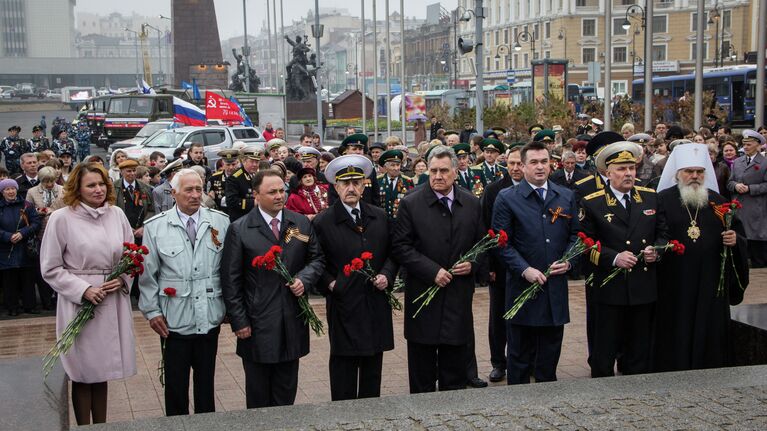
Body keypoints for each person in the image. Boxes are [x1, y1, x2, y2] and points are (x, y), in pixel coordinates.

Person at [40, 162, 136, 425]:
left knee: (102, 370)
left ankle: (101, 426)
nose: (98, 190)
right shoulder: (61, 218)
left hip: (111, 298)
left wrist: (123, 278)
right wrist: (83, 290)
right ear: (77, 189)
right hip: (80, 302)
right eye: (91, 185)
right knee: (83, 371)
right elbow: (50, 267)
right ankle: (83, 426)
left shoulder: (116, 214)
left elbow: (132, 254)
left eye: (102, 184)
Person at [222, 169, 324, 408]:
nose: (280, 196)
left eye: (282, 190)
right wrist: (239, 321)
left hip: (292, 318)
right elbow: (231, 279)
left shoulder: (299, 222)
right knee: (259, 395)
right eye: (272, 192)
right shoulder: (240, 228)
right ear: (256, 195)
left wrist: (304, 279)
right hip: (258, 322)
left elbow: (317, 259)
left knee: (286, 390)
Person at [392, 145, 486, 393]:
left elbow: (483, 243)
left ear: (455, 172)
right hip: (423, 297)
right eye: (433, 170)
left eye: (444, 170)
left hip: (458, 297)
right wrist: (431, 270)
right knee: (422, 375)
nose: (438, 176)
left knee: (454, 375)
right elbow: (401, 247)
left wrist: (473, 263)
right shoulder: (411, 203)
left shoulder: (471, 203)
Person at [139, 169, 230, 416]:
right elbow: (148, 275)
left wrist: (228, 307)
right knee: (176, 387)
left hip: (209, 316)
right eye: (188, 190)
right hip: (173, 319)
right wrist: (151, 311)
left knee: (206, 386)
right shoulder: (156, 227)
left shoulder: (220, 221)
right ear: (173, 192)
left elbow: (228, 270)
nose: (195, 195)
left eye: (199, 189)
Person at [654, 144, 748, 372]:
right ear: (678, 173)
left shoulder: (718, 202)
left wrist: (735, 240)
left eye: (699, 171)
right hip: (675, 281)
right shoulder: (662, 200)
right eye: (689, 171)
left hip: (710, 279)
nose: (695, 176)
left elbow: (739, 237)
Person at [492, 141, 579, 385]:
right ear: (523, 165)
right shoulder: (508, 198)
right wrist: (524, 269)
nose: (540, 167)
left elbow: (577, 235)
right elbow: (501, 243)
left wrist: (569, 261)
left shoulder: (565, 195)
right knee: (519, 359)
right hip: (523, 291)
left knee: (549, 360)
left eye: (544, 161)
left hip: (554, 291)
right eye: (534, 162)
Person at [312, 154, 398, 400]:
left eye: (356, 182)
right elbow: (315, 260)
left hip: (375, 301)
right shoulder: (324, 221)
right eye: (345, 183)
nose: (351, 188)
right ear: (336, 187)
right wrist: (330, 283)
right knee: (344, 369)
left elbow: (393, 253)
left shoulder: (378, 216)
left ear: (364, 185)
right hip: (344, 303)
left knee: (373, 367)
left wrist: (387, 275)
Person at [579, 142, 667, 377]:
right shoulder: (593, 202)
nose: (628, 173)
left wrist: (656, 251)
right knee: (605, 347)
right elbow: (584, 243)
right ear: (608, 173)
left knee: (638, 346)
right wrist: (614, 257)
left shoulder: (650, 198)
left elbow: (662, 234)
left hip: (642, 284)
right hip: (609, 286)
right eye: (621, 169)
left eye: (631, 168)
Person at [480, 144, 524, 383]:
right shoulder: (494, 190)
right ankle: (499, 362)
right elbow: (485, 229)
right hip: (500, 265)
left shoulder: (532, 188)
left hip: (526, 264)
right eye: (511, 164)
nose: (515, 168)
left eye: (519, 164)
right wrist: (487, 267)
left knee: (525, 314)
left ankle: (524, 359)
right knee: (499, 317)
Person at [0, 178, 41, 315]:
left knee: (28, 279)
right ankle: (13, 308)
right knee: (9, 280)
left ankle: (30, 306)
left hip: (25, 248)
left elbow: (36, 223)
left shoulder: (27, 205)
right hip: (6, 249)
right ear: (2, 192)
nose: (11, 191)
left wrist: (23, 233)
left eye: (13, 188)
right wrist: (7, 236)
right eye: (7, 189)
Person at [727, 130, 767, 267]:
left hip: (757, 208)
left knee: (756, 244)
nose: (746, 147)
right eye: (744, 144)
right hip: (739, 207)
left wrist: (751, 188)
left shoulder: (764, 162)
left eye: (749, 144)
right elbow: (729, 182)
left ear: (757, 145)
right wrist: (736, 186)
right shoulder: (737, 162)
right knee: (740, 240)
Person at [224, 146, 261, 222]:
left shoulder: (257, 175)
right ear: (244, 161)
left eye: (257, 162)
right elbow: (231, 201)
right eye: (251, 161)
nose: (254, 164)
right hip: (241, 219)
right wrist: (253, 202)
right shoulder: (235, 177)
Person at [376, 149, 414, 219]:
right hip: (382, 221)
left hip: (401, 221)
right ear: (385, 167)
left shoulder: (407, 181)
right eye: (392, 165)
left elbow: (412, 203)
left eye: (398, 165)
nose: (396, 168)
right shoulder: (378, 181)